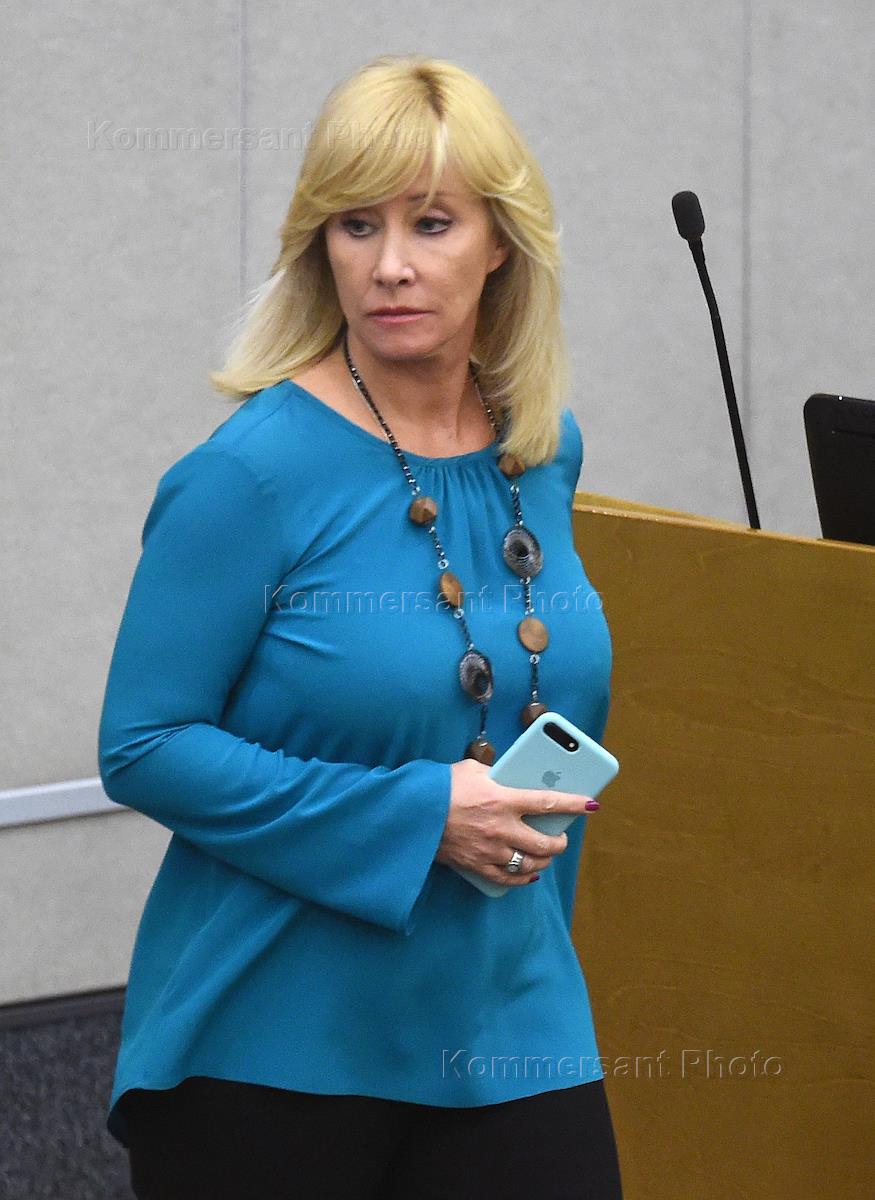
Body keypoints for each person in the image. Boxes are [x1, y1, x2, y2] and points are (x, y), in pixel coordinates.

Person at [97, 53, 622, 1199]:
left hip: (512, 1025)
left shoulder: (542, 448)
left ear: (499, 242)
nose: (388, 265)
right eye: (354, 226)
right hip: (276, 1044)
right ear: (318, 247)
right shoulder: (249, 476)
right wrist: (419, 813)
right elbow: (142, 744)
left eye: (430, 223)